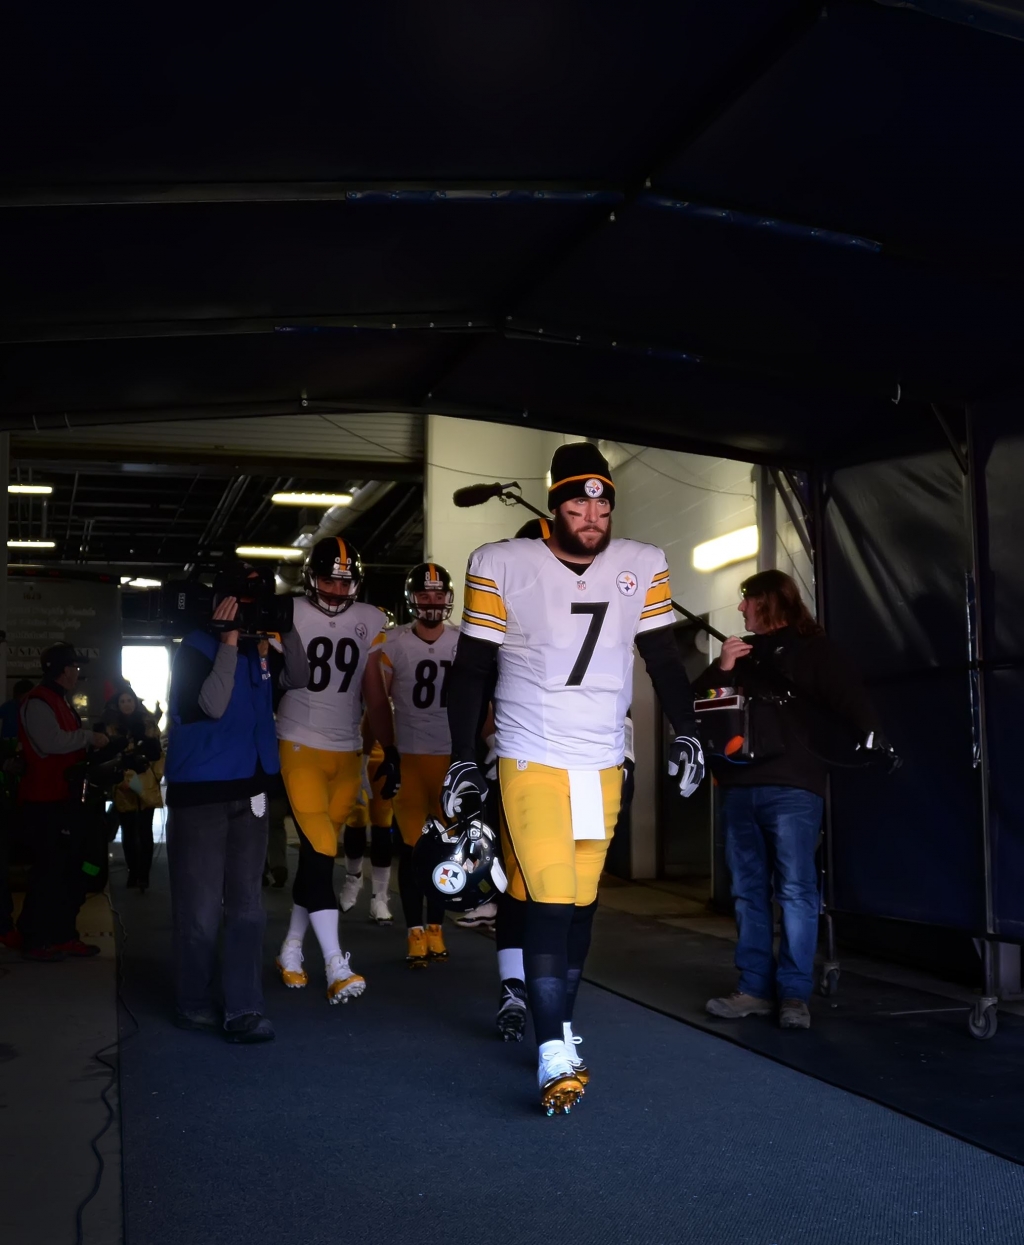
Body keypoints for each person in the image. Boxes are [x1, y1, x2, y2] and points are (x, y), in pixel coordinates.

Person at [445, 442, 705, 1114]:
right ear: (554, 503)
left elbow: (663, 658)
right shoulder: (502, 562)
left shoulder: (641, 563)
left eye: (602, 499)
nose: (592, 512)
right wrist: (462, 755)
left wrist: (688, 727)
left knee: (582, 901)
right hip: (531, 753)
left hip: (602, 760)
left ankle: (556, 1016)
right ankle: (554, 1045)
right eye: (577, 499)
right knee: (554, 897)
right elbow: (471, 667)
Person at [693, 569, 882, 1031]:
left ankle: (794, 995)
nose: (740, 609)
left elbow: (853, 706)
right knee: (747, 893)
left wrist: (873, 748)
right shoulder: (739, 655)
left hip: (795, 788)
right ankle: (754, 989)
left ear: (769, 602)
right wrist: (722, 668)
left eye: (746, 601)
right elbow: (695, 704)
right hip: (739, 788)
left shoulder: (817, 651)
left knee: (796, 891)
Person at [164, 562, 308, 1043]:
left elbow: (302, 678)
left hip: (251, 790)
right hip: (201, 794)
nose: (250, 614)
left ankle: (244, 1007)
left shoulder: (260, 650)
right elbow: (211, 705)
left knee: (248, 908)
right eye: (242, 604)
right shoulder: (193, 648)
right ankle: (193, 1000)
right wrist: (227, 642)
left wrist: (286, 629)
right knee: (201, 909)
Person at [274, 537, 397, 1004]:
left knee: (315, 858)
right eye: (328, 578)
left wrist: (391, 747)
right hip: (299, 741)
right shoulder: (287, 612)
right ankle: (335, 964)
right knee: (322, 849)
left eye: (344, 580)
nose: (336, 588)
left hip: (347, 750)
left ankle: (290, 949)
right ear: (311, 577)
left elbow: (374, 694)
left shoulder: (369, 619)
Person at [367, 562, 459, 967]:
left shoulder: (464, 641)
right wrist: (382, 750)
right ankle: (413, 931)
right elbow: (376, 703)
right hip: (410, 755)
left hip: (450, 757)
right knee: (412, 848)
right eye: (425, 595)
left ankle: (436, 928)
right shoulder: (393, 643)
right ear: (412, 599)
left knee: (443, 851)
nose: (432, 602)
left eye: (438, 595)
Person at [16, 643, 111, 961]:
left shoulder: (57, 700)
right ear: (62, 670)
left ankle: (61, 935)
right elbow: (50, 742)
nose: (77, 673)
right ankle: (37, 937)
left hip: (64, 801)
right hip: (45, 803)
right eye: (75, 668)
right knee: (49, 873)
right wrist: (86, 737)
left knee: (70, 870)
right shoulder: (38, 702)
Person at [104, 687, 163, 892]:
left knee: (145, 829)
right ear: (117, 705)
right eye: (123, 701)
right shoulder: (111, 727)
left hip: (144, 782)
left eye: (130, 700)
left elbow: (158, 754)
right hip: (123, 783)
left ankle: (143, 875)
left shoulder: (148, 724)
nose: (127, 704)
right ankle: (133, 871)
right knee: (128, 829)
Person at [338, 728, 395, 922]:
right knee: (356, 817)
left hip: (385, 745)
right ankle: (353, 878)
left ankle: (380, 896)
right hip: (352, 743)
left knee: (382, 822)